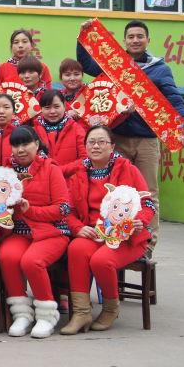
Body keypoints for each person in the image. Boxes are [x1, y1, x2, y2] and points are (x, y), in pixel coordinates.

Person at [76, 19, 184, 253]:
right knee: (115, 190)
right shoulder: (114, 64)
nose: (135, 40)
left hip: (147, 140)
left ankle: (146, 244)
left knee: (148, 192)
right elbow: (87, 64)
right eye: (131, 37)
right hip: (117, 138)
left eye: (140, 36)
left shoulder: (160, 69)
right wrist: (82, 36)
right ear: (124, 41)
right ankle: (113, 236)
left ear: (148, 40)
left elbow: (174, 99)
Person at [61, 125, 156, 334]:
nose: (96, 146)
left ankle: (111, 309)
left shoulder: (128, 169)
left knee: (101, 261)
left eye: (101, 142)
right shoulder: (79, 171)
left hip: (126, 235)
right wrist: (78, 228)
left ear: (112, 146)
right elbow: (68, 209)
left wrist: (139, 221)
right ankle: (81, 312)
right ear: (85, 146)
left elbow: (147, 203)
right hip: (95, 232)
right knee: (76, 248)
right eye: (91, 142)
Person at [0, 126, 71, 339]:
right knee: (7, 257)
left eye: (25, 144)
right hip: (19, 232)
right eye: (15, 145)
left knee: (32, 261)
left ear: (37, 145)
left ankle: (47, 315)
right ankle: (21, 313)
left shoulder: (51, 168)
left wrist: (31, 210)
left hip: (51, 231)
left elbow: (63, 208)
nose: (20, 150)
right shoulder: (5, 172)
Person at [33, 90, 86, 166]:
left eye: (56, 106)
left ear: (64, 106)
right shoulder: (34, 132)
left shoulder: (77, 129)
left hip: (70, 173)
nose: (52, 111)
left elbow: (85, 159)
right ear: (41, 109)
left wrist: (59, 171)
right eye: (47, 108)